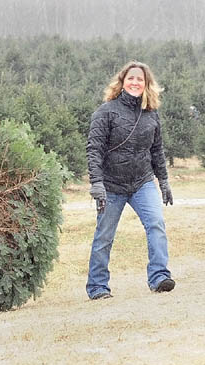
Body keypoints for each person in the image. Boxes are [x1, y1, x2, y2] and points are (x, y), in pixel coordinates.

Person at [85, 61, 175, 300]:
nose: (135, 82)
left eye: (140, 79)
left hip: (142, 183)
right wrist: (96, 183)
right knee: (104, 236)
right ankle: (97, 287)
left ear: (147, 85)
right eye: (131, 78)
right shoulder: (106, 112)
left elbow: (157, 150)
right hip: (111, 185)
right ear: (122, 82)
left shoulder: (151, 114)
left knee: (156, 224)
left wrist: (164, 182)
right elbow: (94, 149)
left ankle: (159, 277)